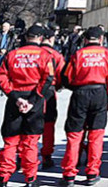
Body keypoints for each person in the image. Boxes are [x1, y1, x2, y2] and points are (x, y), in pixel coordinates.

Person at [0, 25, 54, 187]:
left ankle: (3, 179)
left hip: (14, 101)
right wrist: (33, 101)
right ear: (41, 38)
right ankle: (30, 179)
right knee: (30, 142)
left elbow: (1, 78)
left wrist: (15, 98)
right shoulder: (45, 56)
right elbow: (48, 79)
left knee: (10, 142)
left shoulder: (12, 55)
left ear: (26, 37)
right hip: (34, 103)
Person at [61, 26, 108, 187]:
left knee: (74, 135)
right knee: (96, 135)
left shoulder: (78, 54)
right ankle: (92, 173)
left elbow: (66, 77)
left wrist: (77, 88)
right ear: (101, 40)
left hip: (80, 94)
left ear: (85, 40)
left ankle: (69, 174)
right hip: (99, 94)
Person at [41, 27, 66, 169]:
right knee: (48, 124)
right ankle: (46, 156)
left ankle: (22, 156)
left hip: (26, 92)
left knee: (26, 127)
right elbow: (62, 74)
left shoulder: (26, 53)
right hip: (49, 92)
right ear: (51, 39)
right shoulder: (55, 55)